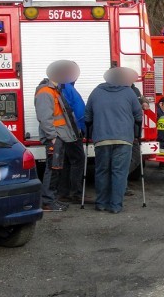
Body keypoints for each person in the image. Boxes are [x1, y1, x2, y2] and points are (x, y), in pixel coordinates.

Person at [85, 67, 143, 213]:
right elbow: (138, 116)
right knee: (119, 172)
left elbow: (87, 117)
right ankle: (116, 205)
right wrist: (136, 131)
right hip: (124, 139)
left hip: (102, 139)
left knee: (102, 171)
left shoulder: (96, 92)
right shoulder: (128, 92)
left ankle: (101, 203)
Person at [35, 61, 81, 212]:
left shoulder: (55, 90)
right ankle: (48, 202)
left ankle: (51, 200)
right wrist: (52, 137)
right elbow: (44, 117)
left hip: (59, 136)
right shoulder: (46, 92)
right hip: (55, 137)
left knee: (56, 169)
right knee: (52, 168)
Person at [55, 61, 88, 204]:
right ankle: (76, 194)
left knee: (67, 162)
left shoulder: (57, 87)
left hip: (61, 131)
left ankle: (63, 192)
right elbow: (78, 112)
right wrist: (83, 129)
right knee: (78, 161)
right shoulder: (68, 88)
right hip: (72, 131)